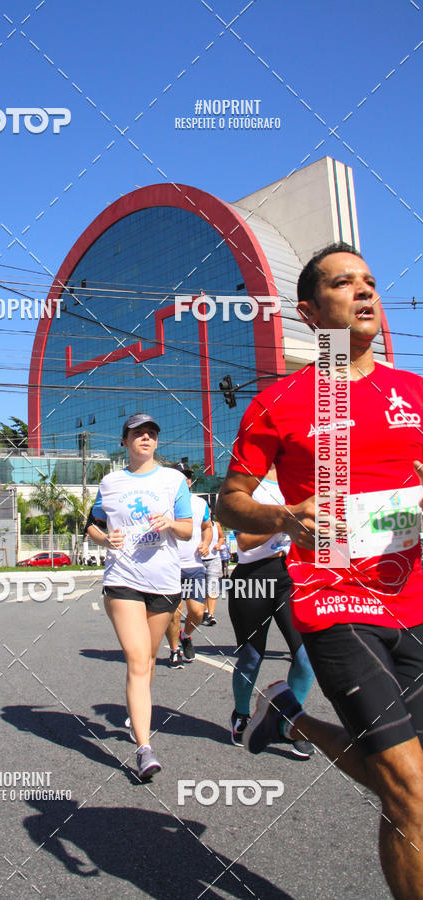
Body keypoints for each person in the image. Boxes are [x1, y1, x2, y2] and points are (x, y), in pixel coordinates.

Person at [216, 242, 423, 899]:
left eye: (369, 281)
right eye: (343, 283)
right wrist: (282, 517)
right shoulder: (280, 401)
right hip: (334, 595)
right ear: (309, 311)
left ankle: (291, 716)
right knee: (410, 785)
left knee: (411, 790)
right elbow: (229, 501)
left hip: (414, 598)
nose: (364, 291)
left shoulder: (414, 393)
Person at [86, 414, 192, 780]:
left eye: (151, 433)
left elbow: (188, 529)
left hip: (164, 582)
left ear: (156, 442)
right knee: (136, 659)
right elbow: (92, 525)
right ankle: (145, 749)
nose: (145, 438)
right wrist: (105, 539)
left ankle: (137, 713)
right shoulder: (110, 482)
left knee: (147, 659)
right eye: (137, 433)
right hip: (123, 580)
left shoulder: (173, 480)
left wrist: (170, 523)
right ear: (125, 441)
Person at [227, 464, 315, 755]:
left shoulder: (303, 478)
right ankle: (241, 715)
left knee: (305, 656)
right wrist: (286, 520)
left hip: (293, 575)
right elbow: (244, 541)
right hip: (253, 577)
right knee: (251, 657)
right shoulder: (248, 482)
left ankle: (290, 722)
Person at [164, 463, 212, 666]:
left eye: (188, 475)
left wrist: (206, 543)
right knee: (174, 612)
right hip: (170, 566)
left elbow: (207, 527)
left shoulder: (200, 503)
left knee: (198, 612)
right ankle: (174, 650)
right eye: (181, 475)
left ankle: (186, 635)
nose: (186, 479)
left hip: (194, 566)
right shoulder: (163, 502)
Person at [201, 518, 223, 626]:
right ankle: (204, 611)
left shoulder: (216, 525)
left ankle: (210, 615)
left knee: (212, 586)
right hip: (198, 560)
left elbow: (221, 537)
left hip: (214, 559)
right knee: (202, 588)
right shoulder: (196, 523)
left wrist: (219, 544)